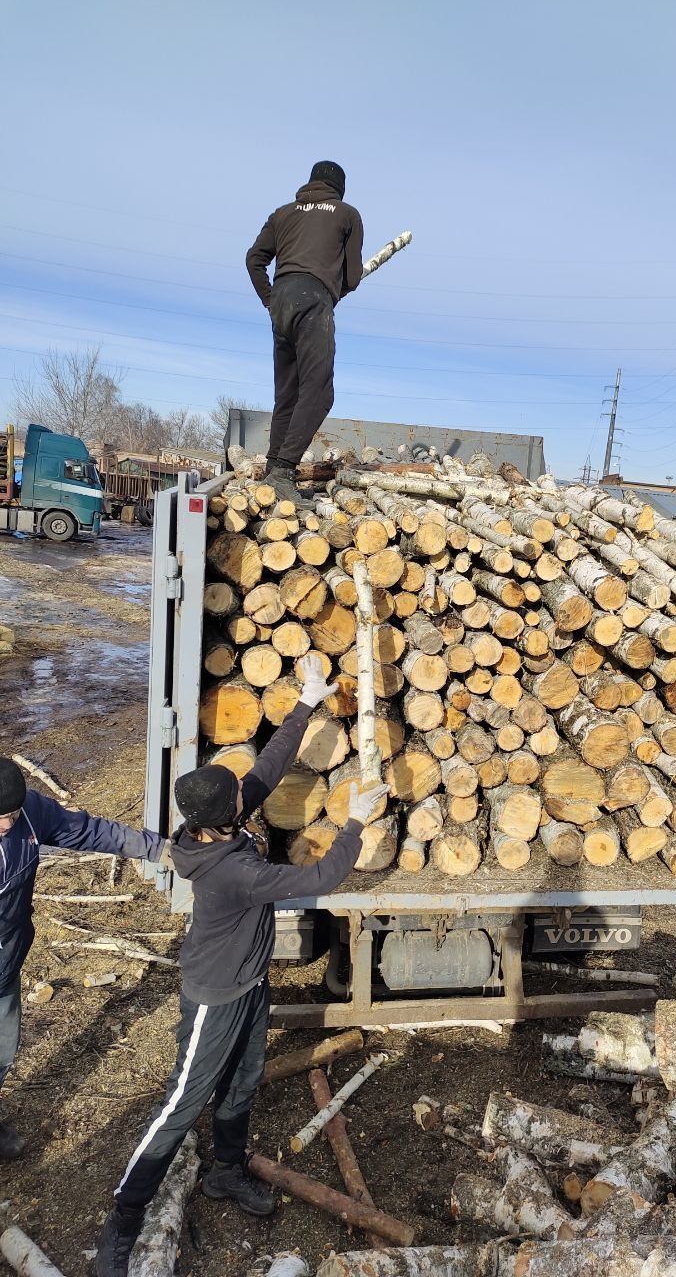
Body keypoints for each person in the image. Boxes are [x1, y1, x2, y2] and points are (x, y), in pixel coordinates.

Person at [95, 654, 389, 1277]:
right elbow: (322, 874)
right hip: (213, 999)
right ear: (222, 817)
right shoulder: (232, 869)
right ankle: (122, 1221)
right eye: (238, 796)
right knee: (182, 1101)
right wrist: (357, 820)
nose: (244, 792)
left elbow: (268, 767)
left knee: (242, 1081)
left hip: (250, 986)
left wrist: (308, 698)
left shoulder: (216, 829)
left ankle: (226, 1172)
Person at [0, 759, 168, 1158]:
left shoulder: (32, 814)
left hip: (5, 963)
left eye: (10, 815)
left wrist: (157, 848)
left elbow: (87, 830)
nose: (6, 826)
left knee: (2, 1049)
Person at [245, 160, 364, 504]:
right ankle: (283, 471)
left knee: (288, 394)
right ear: (339, 188)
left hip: (280, 300)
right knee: (319, 393)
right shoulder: (347, 215)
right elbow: (353, 277)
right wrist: (329, 290)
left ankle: (271, 469)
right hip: (313, 300)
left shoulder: (282, 214)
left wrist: (270, 299)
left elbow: (254, 259)